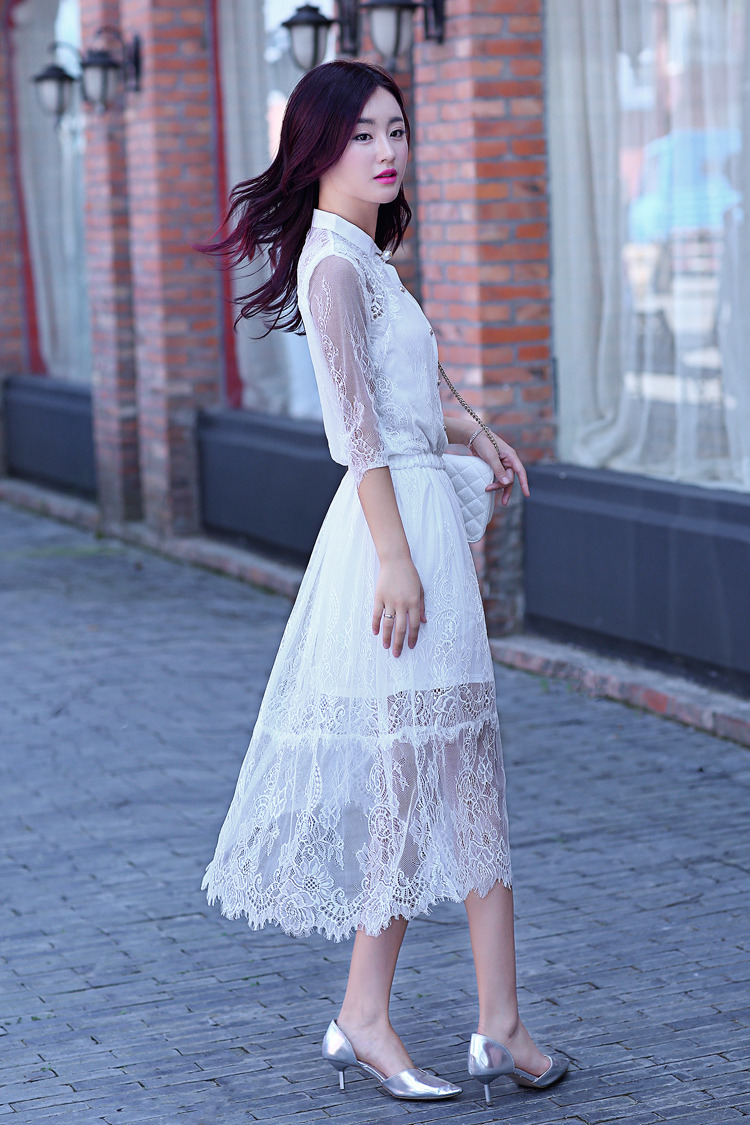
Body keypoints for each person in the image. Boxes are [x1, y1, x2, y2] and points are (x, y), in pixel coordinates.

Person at [201, 59, 568, 1105]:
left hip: (415, 522)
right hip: (388, 536)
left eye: (396, 129)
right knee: (421, 772)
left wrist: (475, 429)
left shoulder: (368, 257)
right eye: (362, 134)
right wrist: (398, 561)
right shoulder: (333, 266)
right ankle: (380, 1015)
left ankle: (488, 1020)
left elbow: (401, 400)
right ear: (317, 149)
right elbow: (357, 431)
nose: (387, 149)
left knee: (458, 772)